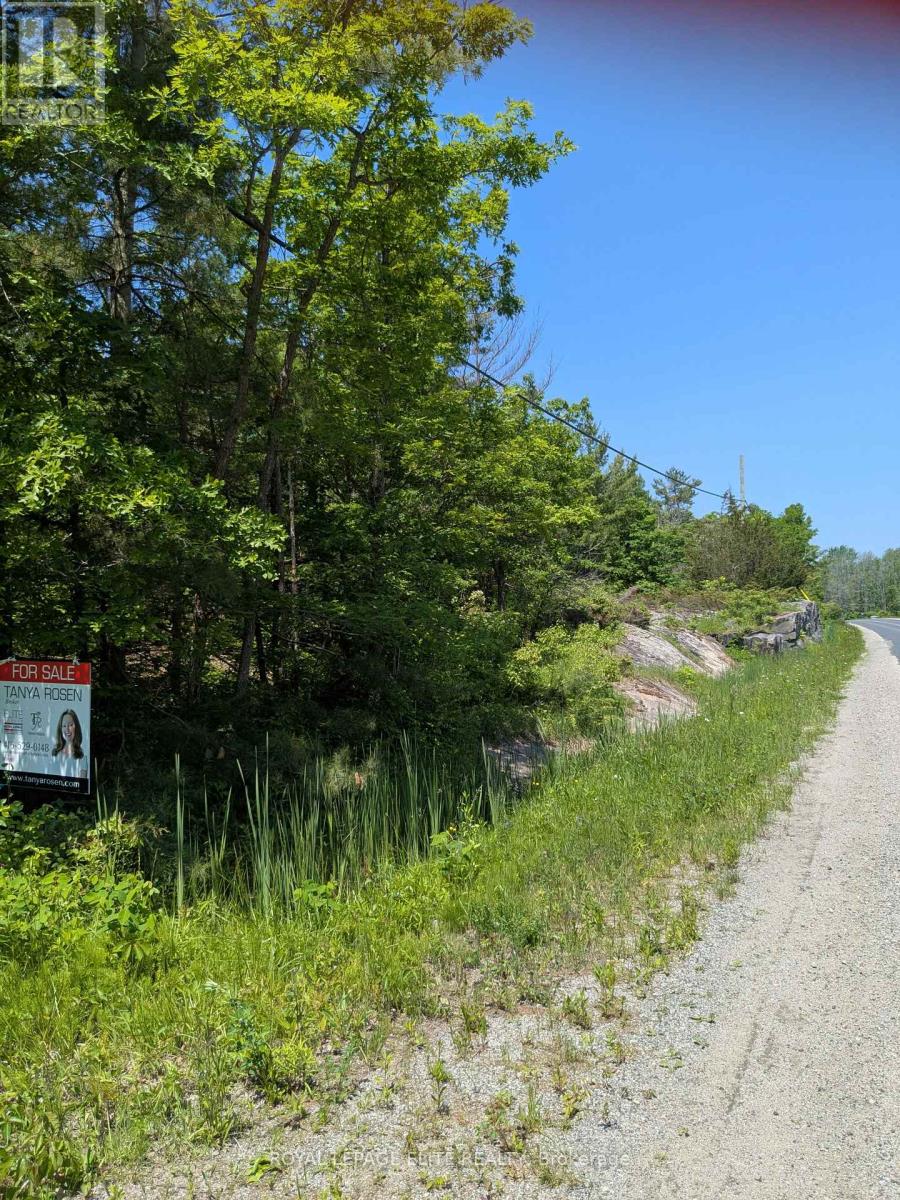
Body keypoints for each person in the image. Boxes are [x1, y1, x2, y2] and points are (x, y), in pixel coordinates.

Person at [51, 709, 88, 779]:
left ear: (76, 727)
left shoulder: (82, 757)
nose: (67, 729)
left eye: (70, 725)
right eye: (64, 726)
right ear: (60, 729)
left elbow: (82, 784)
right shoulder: (55, 753)